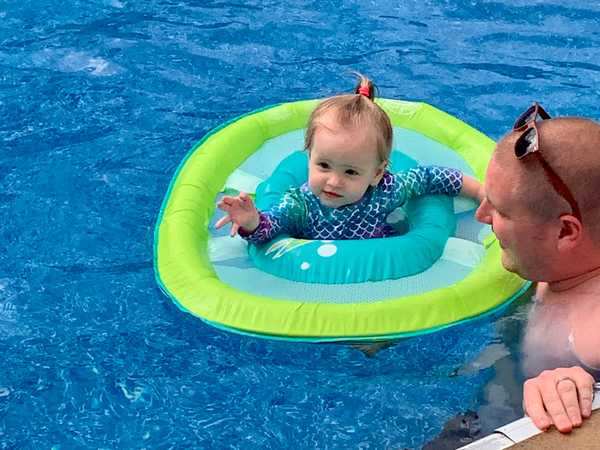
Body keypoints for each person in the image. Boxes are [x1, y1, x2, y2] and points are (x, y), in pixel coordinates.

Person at [216, 74, 483, 242]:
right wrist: (250, 221)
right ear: (309, 157)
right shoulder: (300, 203)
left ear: (377, 174)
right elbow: (271, 226)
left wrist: (479, 190)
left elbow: (428, 178)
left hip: (376, 262)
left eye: (351, 172)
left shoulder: (387, 190)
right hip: (314, 274)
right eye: (323, 165)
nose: (334, 181)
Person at [475, 103, 600, 433]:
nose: (482, 216)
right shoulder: (553, 268)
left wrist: (575, 384)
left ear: (564, 232)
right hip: (490, 406)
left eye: (501, 211)